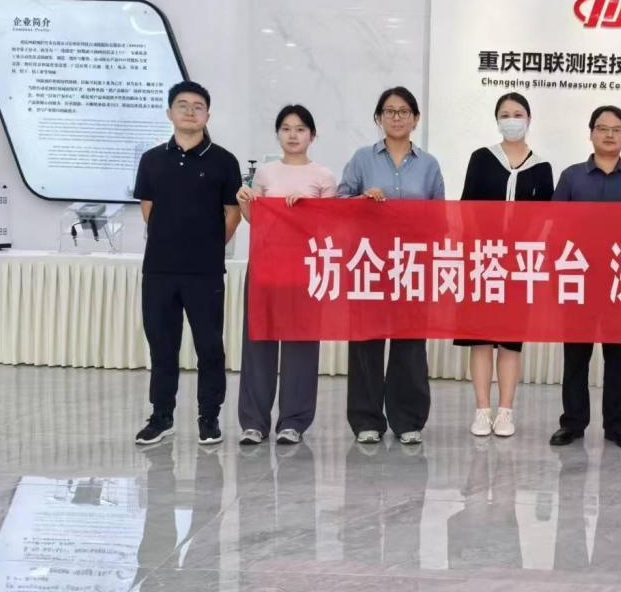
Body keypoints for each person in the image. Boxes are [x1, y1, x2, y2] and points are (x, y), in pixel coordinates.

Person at [133, 81, 242, 445]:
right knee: (162, 346)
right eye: (183, 105)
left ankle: (209, 417)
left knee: (209, 347)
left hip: (204, 271)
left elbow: (232, 213)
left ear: (207, 115)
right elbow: (148, 209)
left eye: (198, 106)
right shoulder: (152, 160)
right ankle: (161, 416)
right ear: (170, 113)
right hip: (159, 270)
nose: (190, 112)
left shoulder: (224, 161)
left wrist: (207, 246)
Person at [338, 87, 445, 446]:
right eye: (389, 111)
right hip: (369, 263)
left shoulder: (429, 165)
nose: (396, 117)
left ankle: (408, 419)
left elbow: (440, 218)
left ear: (416, 119)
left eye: (404, 111)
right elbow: (339, 204)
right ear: (378, 118)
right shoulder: (361, 159)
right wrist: (361, 200)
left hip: (411, 265)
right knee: (365, 343)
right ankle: (366, 419)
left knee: (409, 345)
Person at [549, 105, 621, 451]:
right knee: (575, 356)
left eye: (617, 129)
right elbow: (556, 229)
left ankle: (618, 426)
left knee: (618, 358)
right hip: (579, 279)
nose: (609, 135)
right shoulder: (571, 177)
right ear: (591, 133)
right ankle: (572, 423)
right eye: (602, 128)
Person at [234, 104, 336, 446]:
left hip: (305, 269)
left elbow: (329, 225)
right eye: (286, 129)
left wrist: (310, 208)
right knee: (258, 341)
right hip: (266, 266)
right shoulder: (265, 173)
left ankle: (293, 421)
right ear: (278, 134)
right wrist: (246, 202)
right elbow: (257, 221)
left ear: (312, 135)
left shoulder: (323, 176)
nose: (293, 135)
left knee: (301, 345)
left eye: (300, 129)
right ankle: (254, 421)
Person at [455, 91, 554, 438]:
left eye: (518, 114)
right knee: (481, 339)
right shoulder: (482, 158)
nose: (512, 120)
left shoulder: (541, 167)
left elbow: (545, 219)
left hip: (519, 265)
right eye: (505, 114)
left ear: (529, 119)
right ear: (497, 120)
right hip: (483, 260)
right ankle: (482, 410)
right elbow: (467, 207)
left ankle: (506, 411)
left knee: (511, 341)